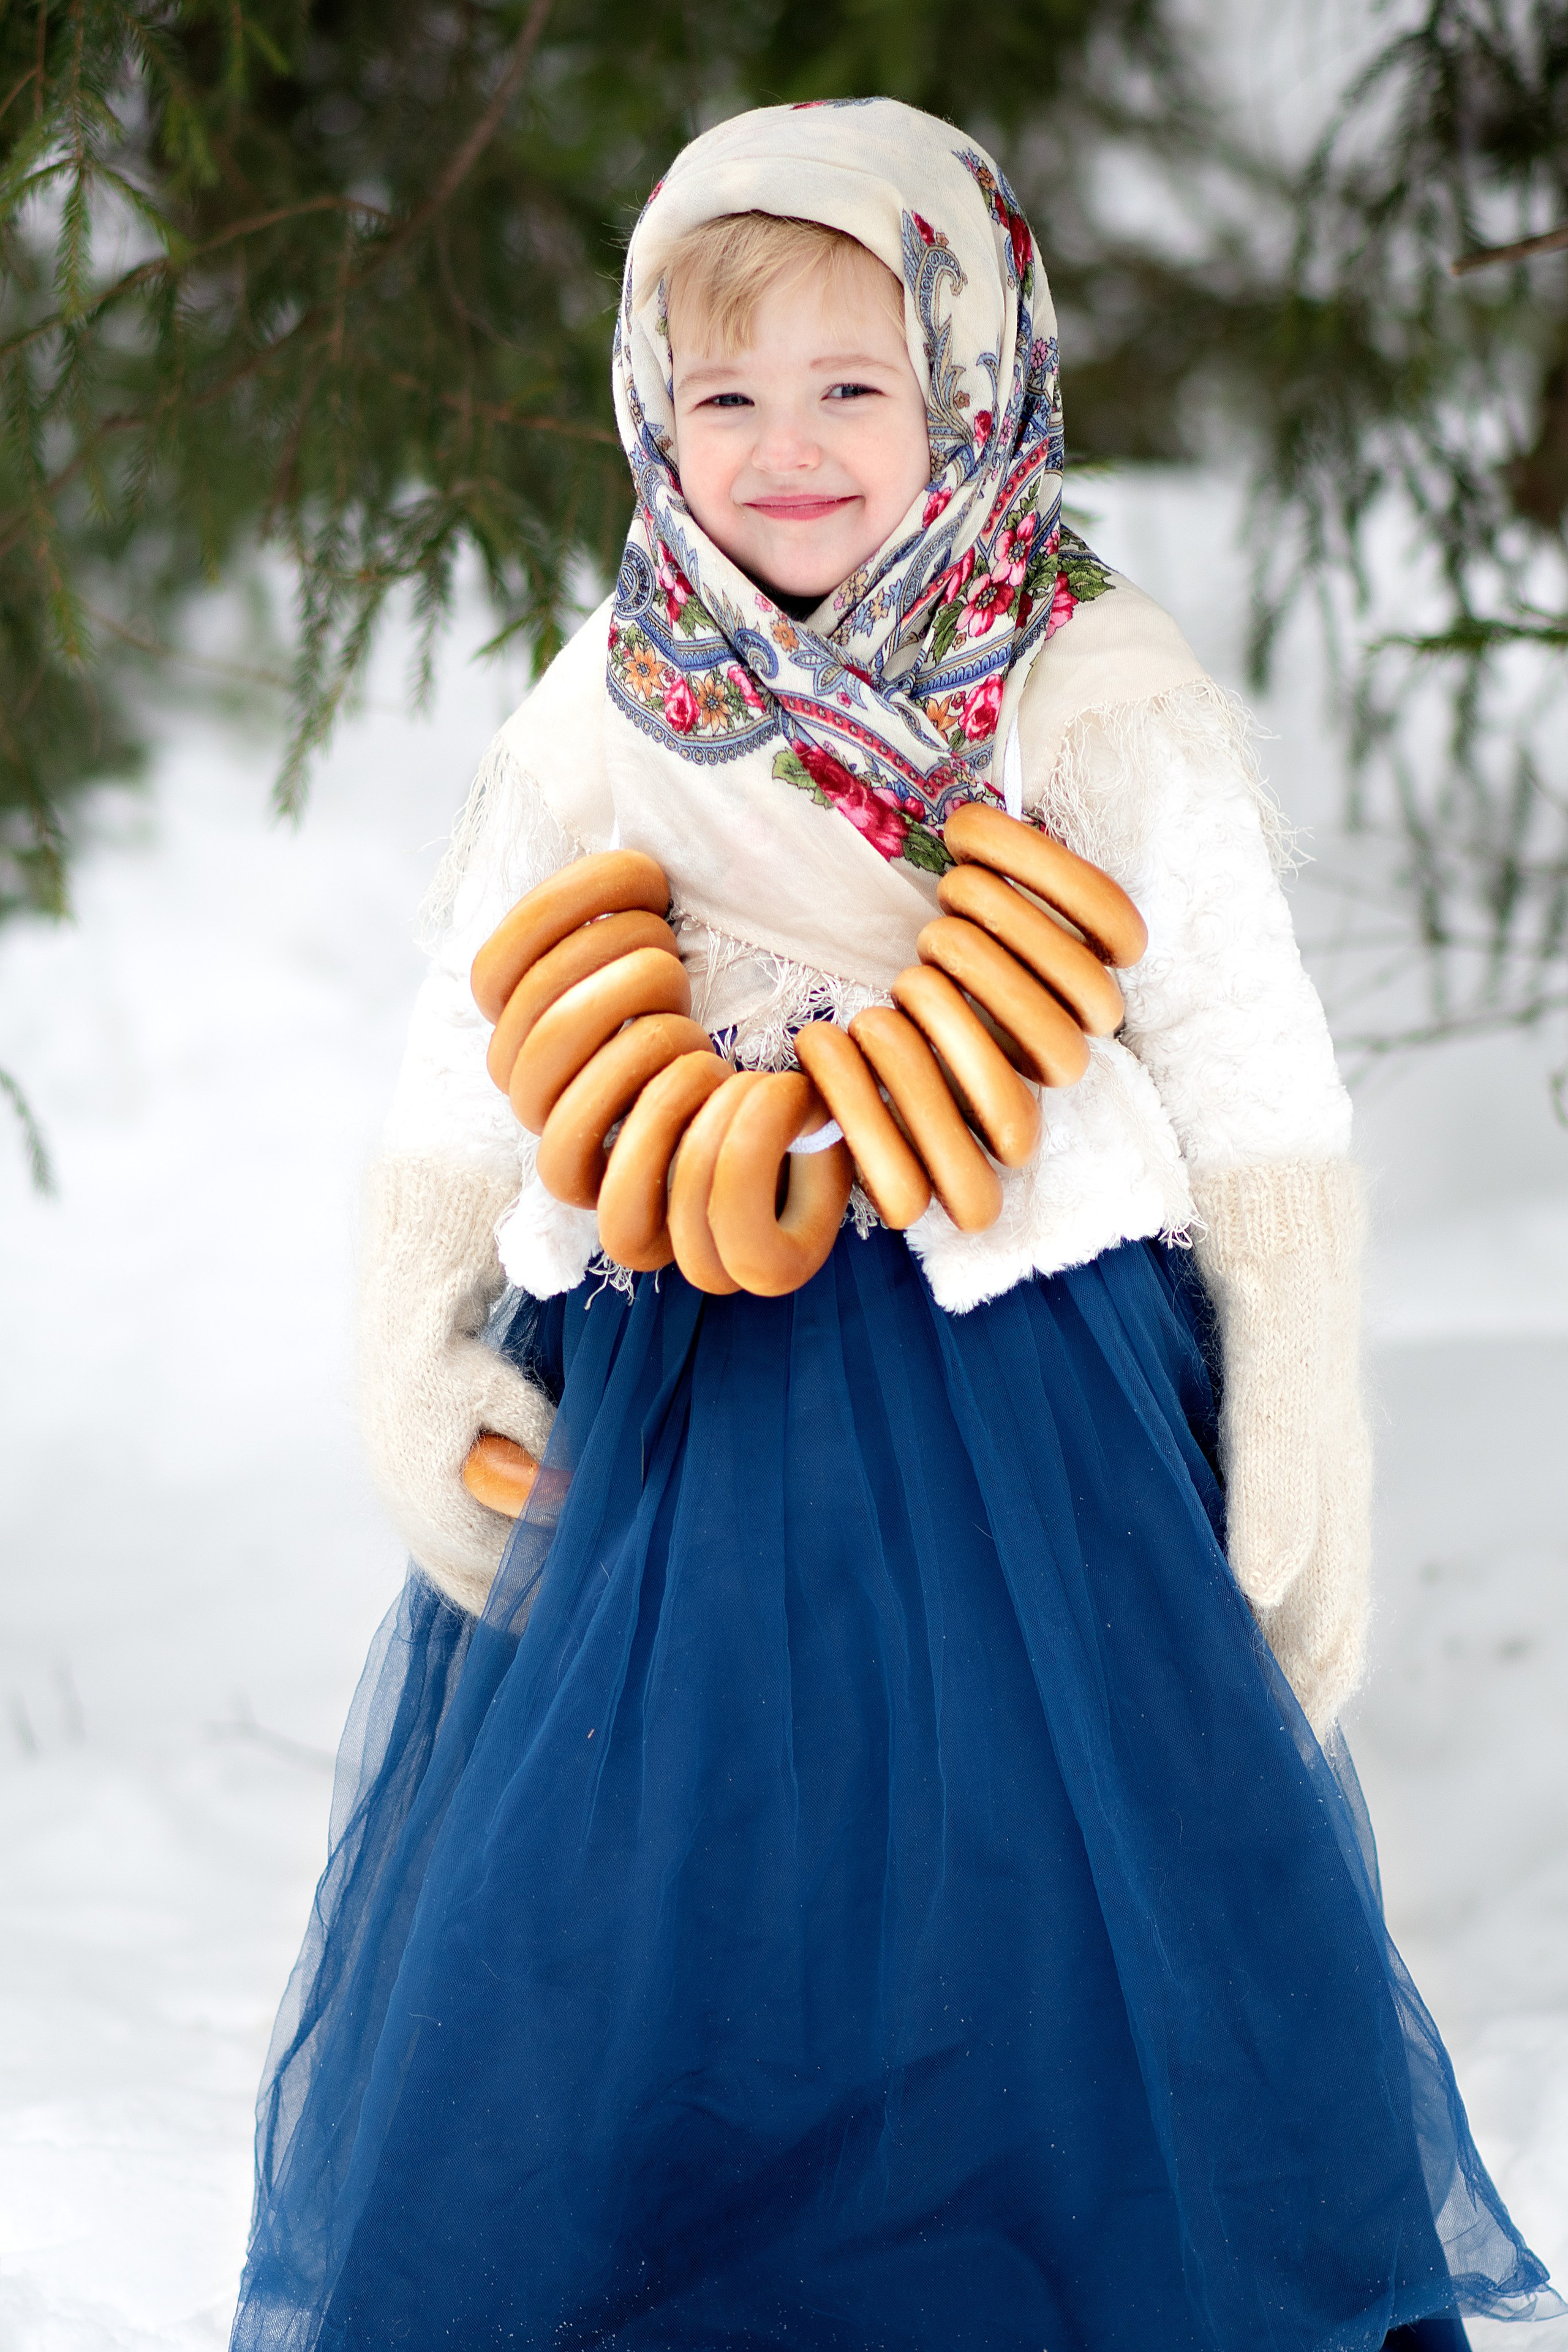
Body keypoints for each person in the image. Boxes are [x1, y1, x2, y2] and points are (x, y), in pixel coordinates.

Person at [231, 100, 1558, 2352]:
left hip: (1025, 1381)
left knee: (1051, 1851)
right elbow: (473, 1040)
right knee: (659, 1853)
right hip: (678, 1377)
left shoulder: (1079, 682)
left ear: (971, 383)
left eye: (857, 385)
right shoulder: (616, 698)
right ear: (657, 410)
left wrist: (1301, 1390)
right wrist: (414, 1330)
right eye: (727, 394)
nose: (790, 450)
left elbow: (1244, 1064)